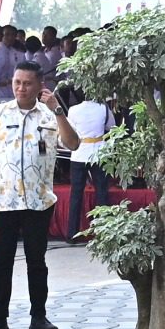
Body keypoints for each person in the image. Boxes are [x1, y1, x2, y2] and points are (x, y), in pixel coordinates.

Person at [0, 64, 62, 329]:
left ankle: (39, 316)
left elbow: (73, 142)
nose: (21, 88)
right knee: (2, 262)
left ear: (39, 85)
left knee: (37, 261)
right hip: (3, 200)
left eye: (27, 83)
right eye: (17, 82)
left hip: (38, 200)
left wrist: (58, 110)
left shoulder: (49, 116)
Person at [61, 82, 115, 241]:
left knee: (76, 194)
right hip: (99, 152)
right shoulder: (103, 108)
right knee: (102, 193)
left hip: (79, 153)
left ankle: (71, 233)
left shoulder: (73, 110)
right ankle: (104, 232)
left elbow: (70, 132)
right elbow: (112, 127)